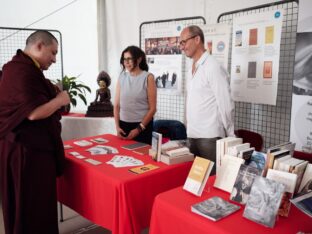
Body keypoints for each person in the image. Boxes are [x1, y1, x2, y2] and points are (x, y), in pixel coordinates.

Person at [0, 30, 70, 234]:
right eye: (53, 53)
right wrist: (60, 100)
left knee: (28, 205)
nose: (55, 59)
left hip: (22, 149)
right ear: (39, 45)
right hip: (27, 154)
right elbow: (32, 113)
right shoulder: (23, 71)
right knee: (32, 207)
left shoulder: (19, 68)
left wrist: (50, 91)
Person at [179, 25, 235, 175]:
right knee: (196, 182)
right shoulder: (193, 67)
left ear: (197, 39)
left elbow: (225, 102)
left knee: (212, 182)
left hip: (210, 137)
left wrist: (230, 134)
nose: (182, 47)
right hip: (193, 134)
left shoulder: (213, 66)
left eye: (184, 42)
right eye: (181, 43)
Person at [114, 45, 157, 144]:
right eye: (124, 59)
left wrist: (138, 129)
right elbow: (116, 106)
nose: (126, 62)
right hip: (123, 127)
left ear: (139, 59)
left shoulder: (148, 77)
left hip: (142, 127)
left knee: (141, 157)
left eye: (129, 59)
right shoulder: (122, 77)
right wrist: (117, 127)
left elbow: (152, 109)